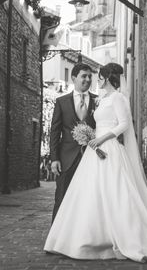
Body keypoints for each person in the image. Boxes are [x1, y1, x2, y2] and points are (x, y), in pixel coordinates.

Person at [44, 63, 147, 262]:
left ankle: (117, 236)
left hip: (106, 149)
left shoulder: (117, 98)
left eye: (98, 77)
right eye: (86, 77)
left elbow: (123, 124)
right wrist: (74, 146)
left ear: (106, 78)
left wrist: (100, 139)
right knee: (80, 196)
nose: (94, 80)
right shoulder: (99, 100)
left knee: (114, 194)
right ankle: (72, 238)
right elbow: (58, 130)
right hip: (89, 152)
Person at [49, 63, 97, 221]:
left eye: (90, 76)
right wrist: (54, 158)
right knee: (62, 197)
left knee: (89, 199)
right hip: (66, 158)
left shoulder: (98, 101)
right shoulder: (62, 101)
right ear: (74, 78)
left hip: (91, 158)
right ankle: (56, 236)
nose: (88, 79)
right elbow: (55, 131)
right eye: (84, 76)